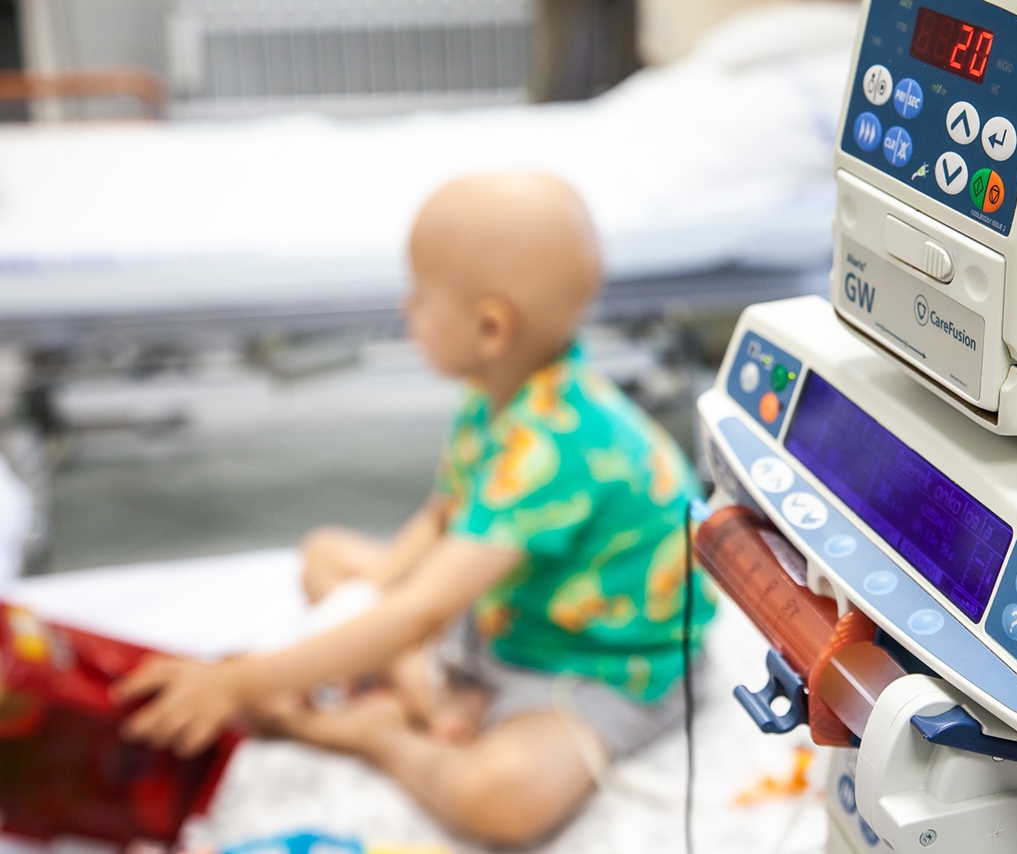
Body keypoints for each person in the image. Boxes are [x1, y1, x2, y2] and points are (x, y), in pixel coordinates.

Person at [113, 173, 716, 846]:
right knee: (326, 558)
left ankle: (367, 732)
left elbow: (423, 610)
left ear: (490, 327)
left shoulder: (558, 443)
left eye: (420, 296)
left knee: (503, 799)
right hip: (511, 613)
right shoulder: (498, 392)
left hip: (598, 663)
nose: (406, 308)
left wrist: (241, 683)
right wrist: (376, 597)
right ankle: (431, 696)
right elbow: (440, 518)